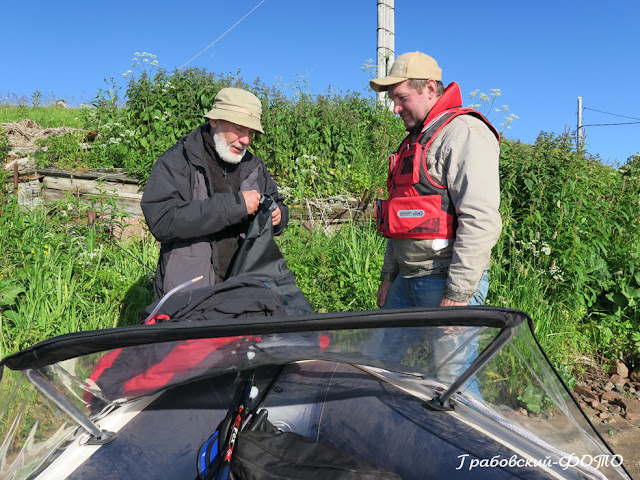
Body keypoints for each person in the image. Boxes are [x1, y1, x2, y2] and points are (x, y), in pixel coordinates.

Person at [366, 52, 502, 390]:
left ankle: (473, 442)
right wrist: (388, 277)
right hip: (406, 280)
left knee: (452, 383)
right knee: (380, 364)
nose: (395, 108)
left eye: (400, 98)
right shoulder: (415, 140)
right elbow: (400, 218)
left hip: (445, 281)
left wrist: (456, 295)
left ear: (429, 87)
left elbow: (481, 221)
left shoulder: (465, 132)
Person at [141, 87, 289, 300]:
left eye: (251, 133)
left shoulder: (254, 166)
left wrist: (279, 216)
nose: (246, 140)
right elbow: (162, 219)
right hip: (188, 296)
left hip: (245, 290)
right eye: (239, 128)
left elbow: (277, 203)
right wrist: (235, 206)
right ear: (214, 120)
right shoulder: (177, 161)